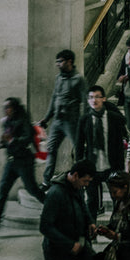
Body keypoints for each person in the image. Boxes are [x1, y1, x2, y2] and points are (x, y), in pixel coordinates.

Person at [0, 97, 46, 228]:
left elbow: (27, 139)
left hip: (24, 162)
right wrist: (0, 145)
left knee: (32, 189)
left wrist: (12, 140)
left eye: (8, 107)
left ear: (15, 108)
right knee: (3, 189)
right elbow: (8, 139)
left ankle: (54, 206)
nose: (6, 110)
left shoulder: (23, 121)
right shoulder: (7, 122)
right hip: (11, 161)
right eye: (5, 107)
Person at [76, 84, 128, 221]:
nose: (94, 100)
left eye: (98, 97)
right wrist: (79, 167)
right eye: (91, 97)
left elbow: (120, 139)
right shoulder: (85, 120)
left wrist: (121, 170)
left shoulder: (113, 118)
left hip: (111, 165)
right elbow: (79, 146)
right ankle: (91, 230)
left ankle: (115, 227)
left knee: (116, 198)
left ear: (104, 98)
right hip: (92, 167)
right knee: (92, 201)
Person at [39, 50, 87, 183]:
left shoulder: (79, 79)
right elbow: (54, 98)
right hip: (57, 121)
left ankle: (81, 178)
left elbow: (85, 101)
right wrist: (47, 118)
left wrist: (85, 122)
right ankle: (46, 181)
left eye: (60, 61)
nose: (57, 64)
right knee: (51, 149)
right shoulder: (58, 78)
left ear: (69, 61)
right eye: (57, 62)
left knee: (78, 151)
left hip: (72, 122)